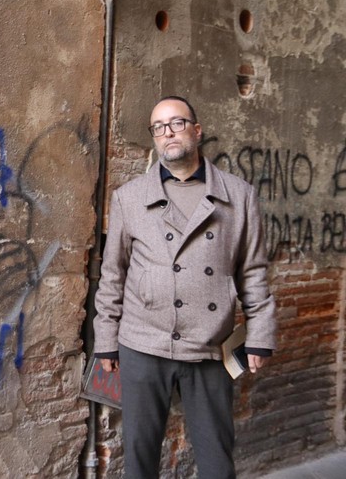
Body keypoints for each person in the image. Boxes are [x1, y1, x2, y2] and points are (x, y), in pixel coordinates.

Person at [93, 96, 276, 479]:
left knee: (216, 458)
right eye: (159, 127)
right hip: (143, 344)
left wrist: (260, 334)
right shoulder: (129, 197)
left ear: (197, 130)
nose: (168, 133)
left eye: (177, 123)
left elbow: (253, 270)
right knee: (139, 456)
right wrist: (106, 339)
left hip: (209, 346)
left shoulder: (239, 195)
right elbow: (113, 274)